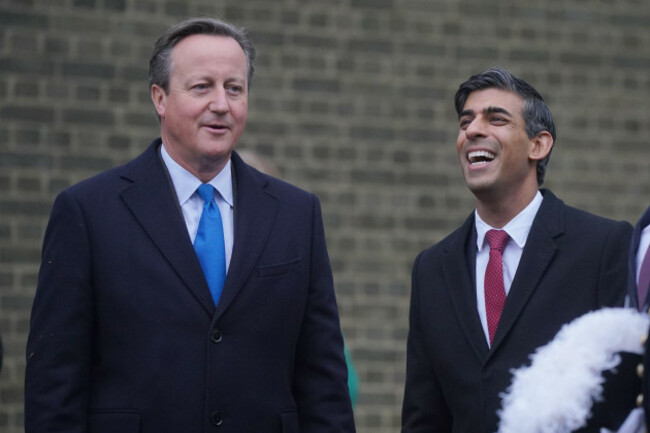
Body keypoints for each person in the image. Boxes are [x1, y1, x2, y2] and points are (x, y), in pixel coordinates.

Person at [25, 17, 355, 433]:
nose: (221, 103)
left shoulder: (296, 213)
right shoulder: (88, 212)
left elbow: (323, 381)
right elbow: (54, 385)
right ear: (159, 98)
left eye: (234, 88)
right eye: (202, 87)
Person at [401, 67, 632, 433]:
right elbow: (424, 415)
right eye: (465, 122)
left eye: (496, 119)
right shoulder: (431, 268)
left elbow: (624, 396)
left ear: (538, 145)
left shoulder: (605, 246)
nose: (472, 131)